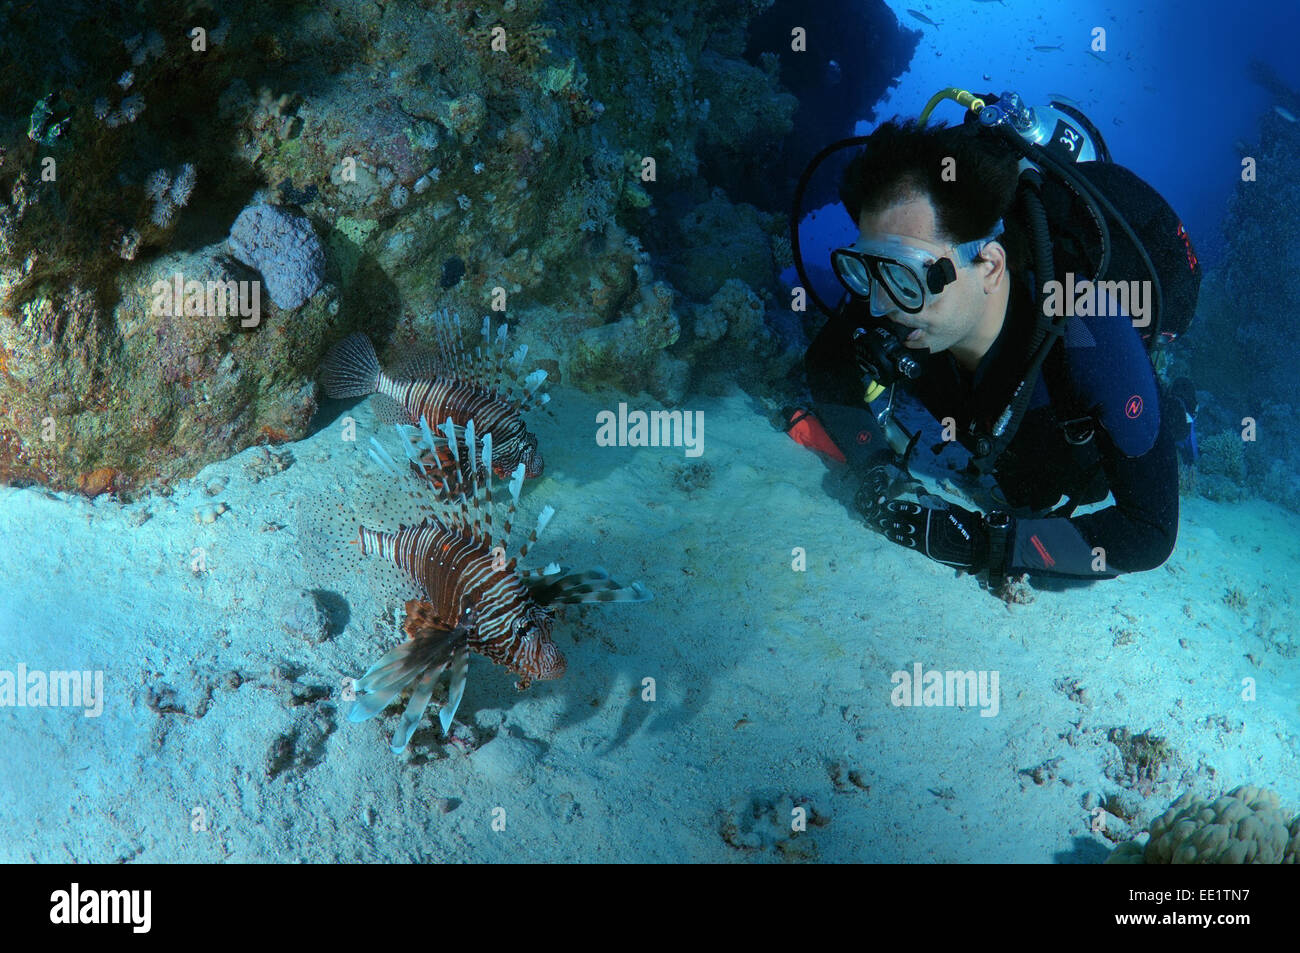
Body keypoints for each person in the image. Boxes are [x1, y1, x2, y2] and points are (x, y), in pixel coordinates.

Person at [794, 117, 1191, 588]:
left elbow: (1148, 532)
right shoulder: (893, 295)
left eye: (905, 276)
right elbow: (827, 361)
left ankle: (1182, 410)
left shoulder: (1087, 326)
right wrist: (877, 466)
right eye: (867, 271)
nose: (881, 305)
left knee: (1040, 485)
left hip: (1065, 435)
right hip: (982, 414)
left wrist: (984, 544)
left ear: (989, 264)